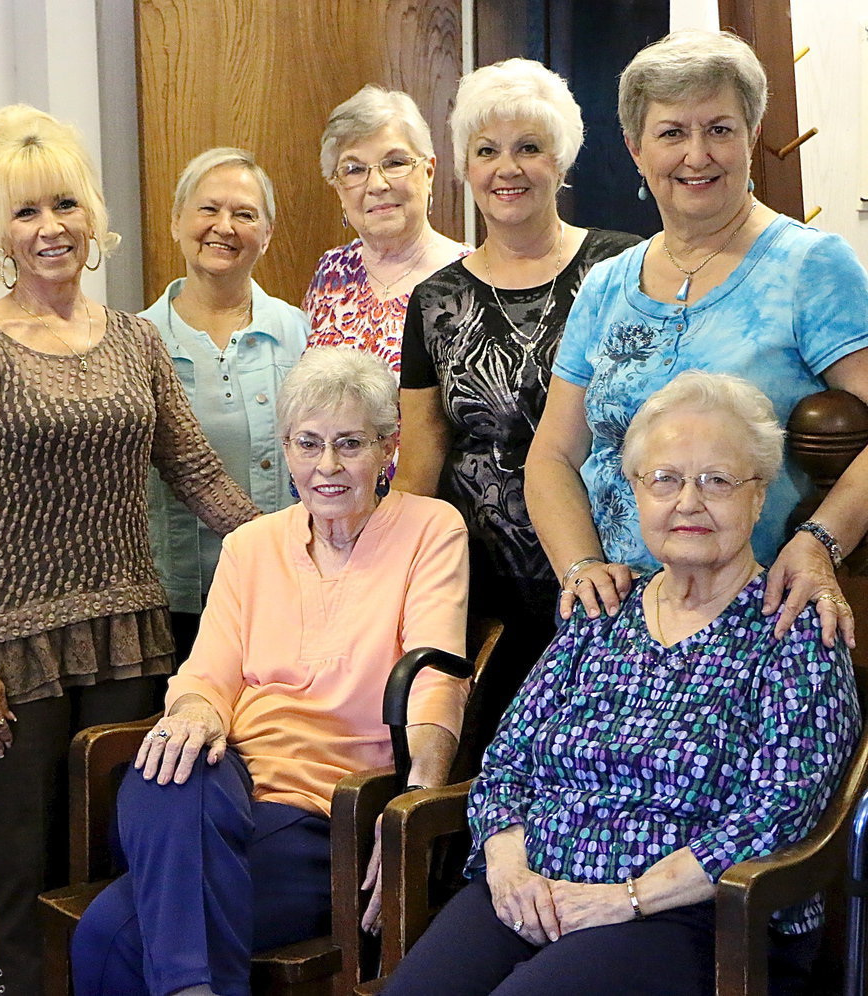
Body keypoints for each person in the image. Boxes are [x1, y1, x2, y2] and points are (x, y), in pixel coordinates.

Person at [0, 105, 260, 996]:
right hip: (12, 647)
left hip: (127, 632)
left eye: (64, 204)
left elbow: (193, 469)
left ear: (92, 216)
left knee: (116, 842)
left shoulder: (136, 339)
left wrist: (300, 537)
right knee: (22, 854)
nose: (50, 229)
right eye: (24, 212)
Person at [384, 371, 861, 996]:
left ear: (759, 494)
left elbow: (777, 813)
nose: (687, 502)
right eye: (664, 479)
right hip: (535, 885)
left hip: (697, 916)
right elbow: (507, 764)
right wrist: (507, 869)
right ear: (635, 491)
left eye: (716, 480)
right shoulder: (602, 608)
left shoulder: (794, 630)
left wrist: (624, 900)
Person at [71, 347, 471, 996]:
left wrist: (411, 815)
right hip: (225, 788)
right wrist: (198, 716)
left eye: (350, 443)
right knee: (169, 763)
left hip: (327, 817)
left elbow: (437, 680)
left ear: (387, 445)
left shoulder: (430, 531)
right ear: (285, 448)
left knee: (110, 935)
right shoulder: (250, 547)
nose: (328, 466)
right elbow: (206, 680)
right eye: (308, 444)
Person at [526, 30, 868, 647]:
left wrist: (820, 543)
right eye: (671, 133)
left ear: (751, 135)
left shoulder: (810, 267)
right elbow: (552, 455)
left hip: (759, 619)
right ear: (635, 148)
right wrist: (580, 570)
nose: (697, 154)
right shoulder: (605, 284)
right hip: (616, 625)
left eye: (719, 129)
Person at [396, 58, 640, 741]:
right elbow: (419, 465)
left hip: (612, 577)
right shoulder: (435, 299)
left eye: (529, 147)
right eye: (487, 150)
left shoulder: (624, 269)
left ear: (561, 160)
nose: (508, 168)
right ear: (464, 168)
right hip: (482, 594)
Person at [142, 148, 306, 662]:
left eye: (245, 213)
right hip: (176, 602)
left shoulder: (301, 331)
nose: (224, 227)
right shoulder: (135, 340)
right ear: (176, 222)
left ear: (268, 233)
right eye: (208, 209)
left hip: (285, 591)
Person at [306, 85, 469, 378]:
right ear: (337, 186)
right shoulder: (331, 271)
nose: (377, 184)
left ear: (428, 172)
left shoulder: (470, 277)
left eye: (394, 163)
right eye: (354, 169)